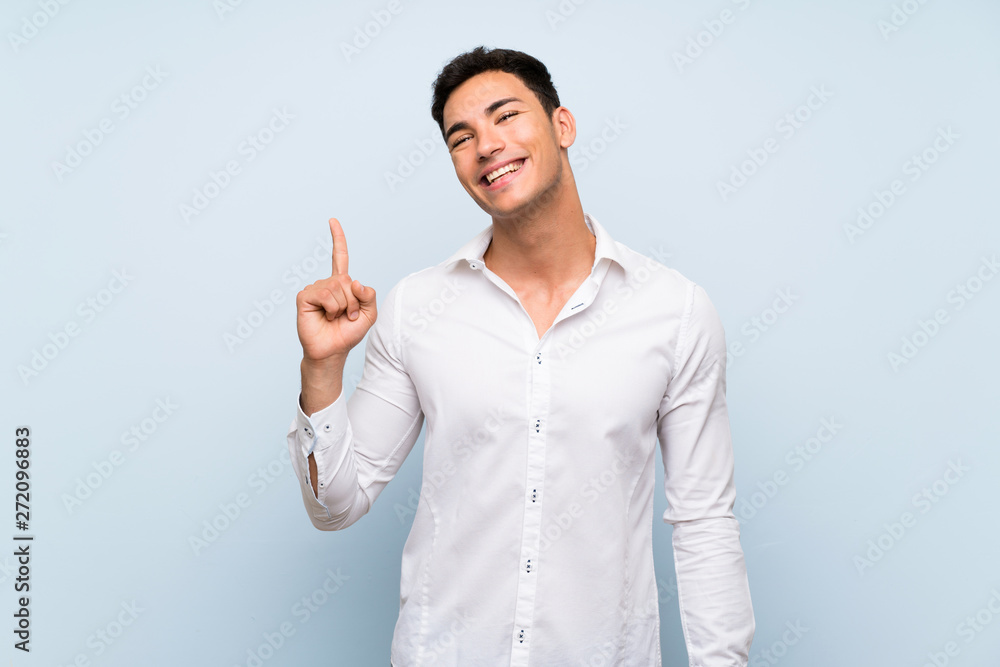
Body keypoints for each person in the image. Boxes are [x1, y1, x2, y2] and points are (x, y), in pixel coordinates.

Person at [286, 45, 755, 666]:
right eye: (462, 136)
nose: (487, 144)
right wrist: (322, 368)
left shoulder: (674, 311)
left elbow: (704, 522)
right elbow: (335, 507)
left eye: (506, 115)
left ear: (563, 126)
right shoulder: (416, 308)